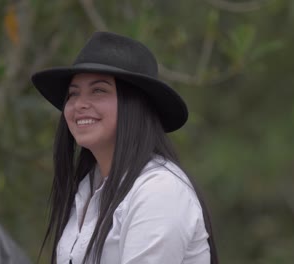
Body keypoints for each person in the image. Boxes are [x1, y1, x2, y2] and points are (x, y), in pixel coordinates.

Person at [31, 31, 218, 264]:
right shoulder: (88, 188)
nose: (79, 104)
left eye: (98, 90)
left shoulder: (159, 190)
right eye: (73, 93)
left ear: (135, 104)